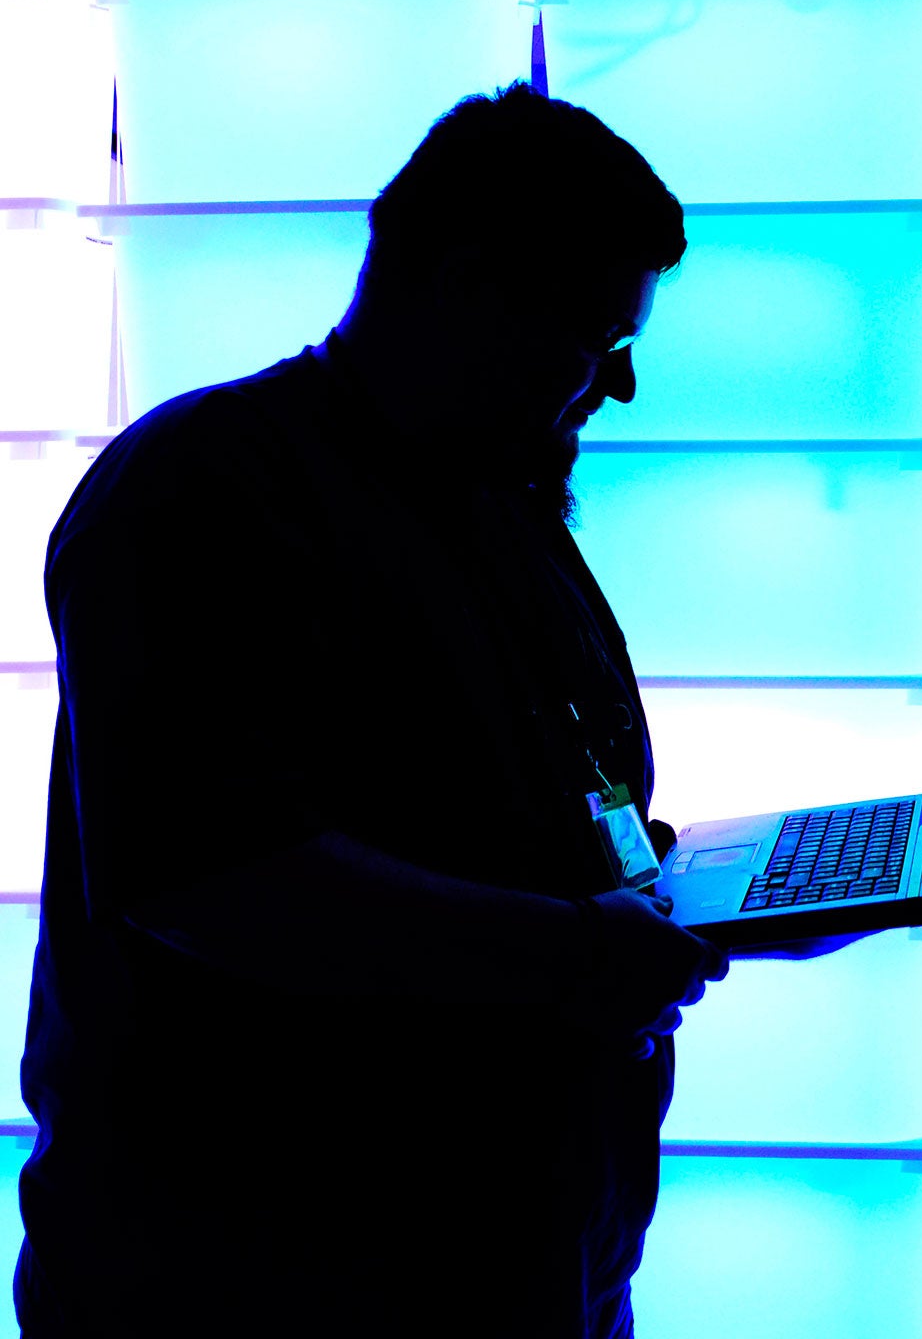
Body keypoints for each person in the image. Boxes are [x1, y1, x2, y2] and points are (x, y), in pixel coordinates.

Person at [19, 84, 738, 1336]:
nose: (613, 390)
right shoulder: (199, 493)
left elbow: (530, 798)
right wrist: (580, 951)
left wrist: (663, 893)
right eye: (592, 340)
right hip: (264, 1282)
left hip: (511, 1260)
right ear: (467, 287)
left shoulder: (492, 498)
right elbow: (215, 877)